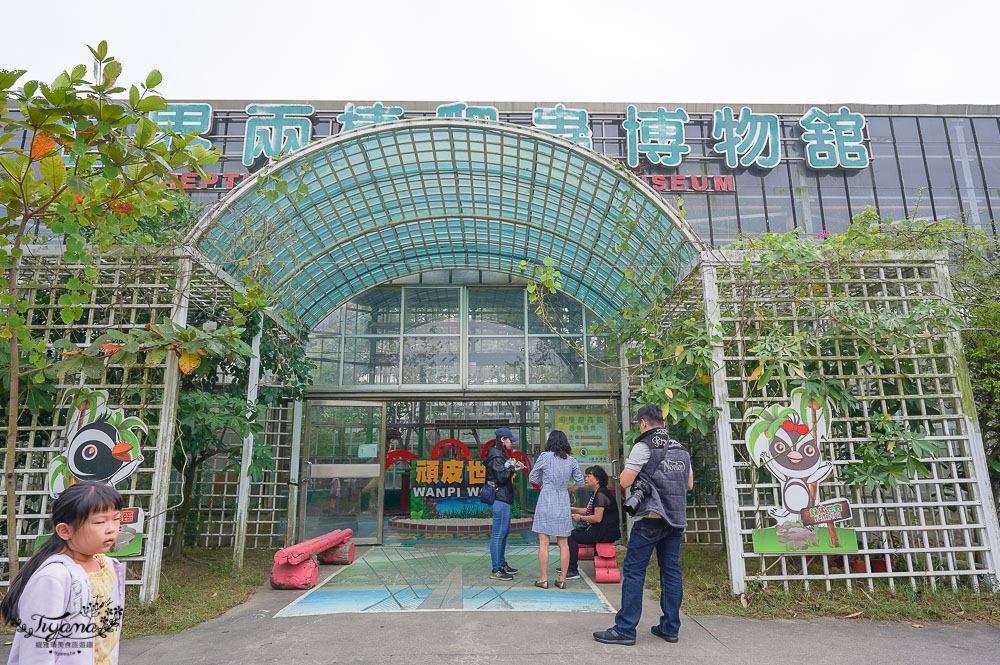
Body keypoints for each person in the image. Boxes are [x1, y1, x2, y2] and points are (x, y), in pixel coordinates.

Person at [593, 404, 693, 647]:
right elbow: (689, 485)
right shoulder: (681, 449)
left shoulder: (643, 445)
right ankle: (670, 628)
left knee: (635, 572)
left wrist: (630, 465)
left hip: (650, 519)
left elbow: (625, 481)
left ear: (644, 423)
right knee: (670, 572)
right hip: (675, 520)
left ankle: (625, 629)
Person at [1, 481, 127, 665]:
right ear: (64, 531)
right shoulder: (53, 578)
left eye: (116, 519)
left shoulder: (108, 566)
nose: (111, 528)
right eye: (100, 521)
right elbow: (37, 649)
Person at [528, 430, 584, 589]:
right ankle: (562, 579)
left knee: (543, 542)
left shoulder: (544, 457)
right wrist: (570, 490)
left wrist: (543, 483)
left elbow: (532, 477)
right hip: (562, 500)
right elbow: (579, 481)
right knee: (563, 543)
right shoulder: (572, 460)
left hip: (546, 499)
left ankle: (543, 579)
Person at [562, 465, 619, 580]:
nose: (586, 479)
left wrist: (581, 518)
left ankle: (572, 569)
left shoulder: (601, 494)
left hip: (604, 533)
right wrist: (571, 509)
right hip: (602, 531)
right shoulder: (598, 493)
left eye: (589, 476)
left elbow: (597, 518)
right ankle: (568, 564)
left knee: (571, 536)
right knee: (575, 533)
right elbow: (589, 511)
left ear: (597, 479)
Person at [484, 426, 525, 581]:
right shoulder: (496, 456)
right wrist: (513, 469)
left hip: (503, 498)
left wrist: (512, 468)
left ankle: (501, 564)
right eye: (510, 440)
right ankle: (496, 569)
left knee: (503, 533)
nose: (511, 443)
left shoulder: (498, 454)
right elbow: (501, 478)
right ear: (503, 439)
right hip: (499, 498)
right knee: (498, 534)